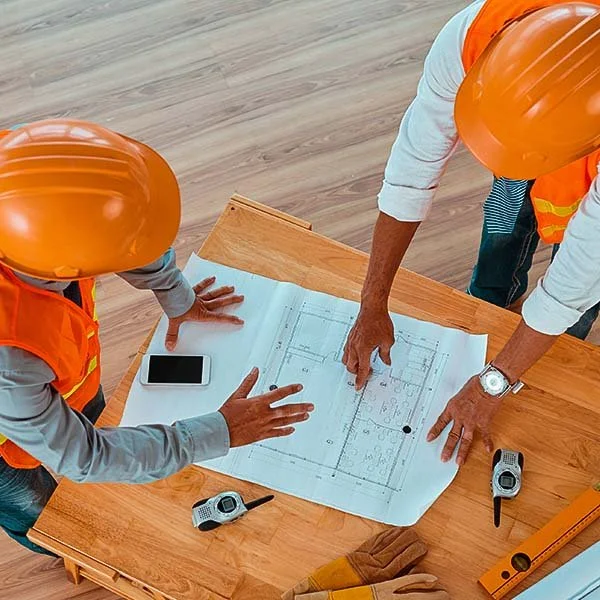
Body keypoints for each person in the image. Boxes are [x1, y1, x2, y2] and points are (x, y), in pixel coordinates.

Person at [0, 119, 314, 554]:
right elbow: (84, 458)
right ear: (62, 266)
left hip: (51, 380)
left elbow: (115, 230)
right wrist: (219, 432)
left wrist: (176, 292)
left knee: (95, 419)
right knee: (36, 509)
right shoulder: (10, 359)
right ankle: (60, 550)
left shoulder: (25, 172)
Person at [343, 1, 600, 465]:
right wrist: (372, 302)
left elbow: (571, 286)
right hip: (539, 120)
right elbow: (411, 173)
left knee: (576, 301)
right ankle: (486, 306)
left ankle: (553, 356)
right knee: (506, 216)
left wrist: (494, 383)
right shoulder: (475, 35)